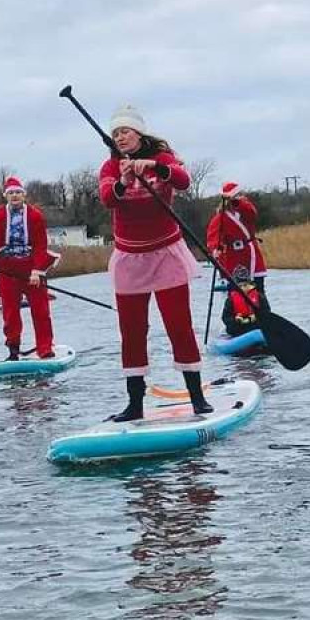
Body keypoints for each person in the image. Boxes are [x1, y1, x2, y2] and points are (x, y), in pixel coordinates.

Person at [99, 104, 211, 420]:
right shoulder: (109, 168)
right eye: (116, 133)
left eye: (125, 131)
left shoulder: (162, 158)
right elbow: (108, 197)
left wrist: (155, 168)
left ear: (139, 134)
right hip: (129, 259)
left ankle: (197, 398)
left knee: (179, 326)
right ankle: (135, 405)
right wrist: (122, 181)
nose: (120, 137)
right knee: (132, 331)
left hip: (166, 255)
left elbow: (183, 180)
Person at [0, 176, 59, 361]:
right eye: (11, 193)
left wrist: (37, 271)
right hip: (8, 267)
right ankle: (13, 350)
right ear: (5, 196)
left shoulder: (35, 216)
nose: (14, 196)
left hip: (31, 266)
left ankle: (45, 348)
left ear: (24, 195)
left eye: (18, 193)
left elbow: (40, 244)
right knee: (10, 312)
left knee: (41, 310)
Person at [206, 181, 268, 335]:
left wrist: (236, 201)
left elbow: (251, 212)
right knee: (236, 294)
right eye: (233, 197)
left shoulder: (245, 211)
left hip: (252, 256)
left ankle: (263, 321)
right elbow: (213, 238)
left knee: (258, 290)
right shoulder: (220, 218)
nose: (237, 199)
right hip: (235, 259)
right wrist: (216, 249)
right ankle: (236, 324)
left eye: (238, 196)